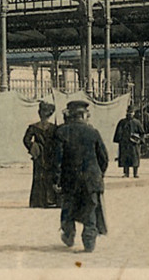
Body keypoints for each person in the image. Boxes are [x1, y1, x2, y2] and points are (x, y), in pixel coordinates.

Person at [52, 99, 109, 253]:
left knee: (68, 208)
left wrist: (56, 180)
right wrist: (99, 174)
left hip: (70, 180)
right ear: (84, 115)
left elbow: (57, 159)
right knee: (90, 209)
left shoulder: (61, 132)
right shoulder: (93, 132)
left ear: (70, 114)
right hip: (91, 180)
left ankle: (69, 235)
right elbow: (103, 157)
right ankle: (89, 241)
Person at [23, 101, 58, 208]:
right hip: (50, 155)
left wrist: (34, 148)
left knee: (39, 177)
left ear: (39, 113)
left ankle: (38, 201)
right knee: (50, 176)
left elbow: (26, 140)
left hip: (39, 156)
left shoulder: (33, 127)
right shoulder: (54, 128)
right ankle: (50, 200)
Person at [113, 107, 145, 178]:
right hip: (125, 144)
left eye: (131, 112)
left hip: (134, 144)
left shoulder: (137, 122)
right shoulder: (122, 122)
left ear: (133, 113)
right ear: (126, 112)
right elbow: (118, 132)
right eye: (129, 112)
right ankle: (126, 173)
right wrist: (120, 139)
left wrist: (139, 140)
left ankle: (135, 173)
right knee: (125, 158)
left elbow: (142, 133)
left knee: (135, 158)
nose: (130, 114)